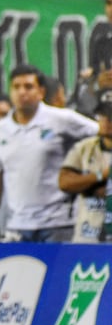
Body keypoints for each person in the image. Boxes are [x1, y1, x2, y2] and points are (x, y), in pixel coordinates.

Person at [0, 64, 98, 242]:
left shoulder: (62, 119)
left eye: (28, 86)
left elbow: (103, 133)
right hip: (17, 225)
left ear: (41, 91)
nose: (22, 92)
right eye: (16, 87)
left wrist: (95, 172)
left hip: (58, 224)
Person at [58, 99, 112, 242]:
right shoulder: (84, 148)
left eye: (111, 117)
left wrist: (90, 186)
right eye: (102, 116)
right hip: (88, 232)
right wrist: (101, 176)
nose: (106, 121)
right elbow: (65, 183)